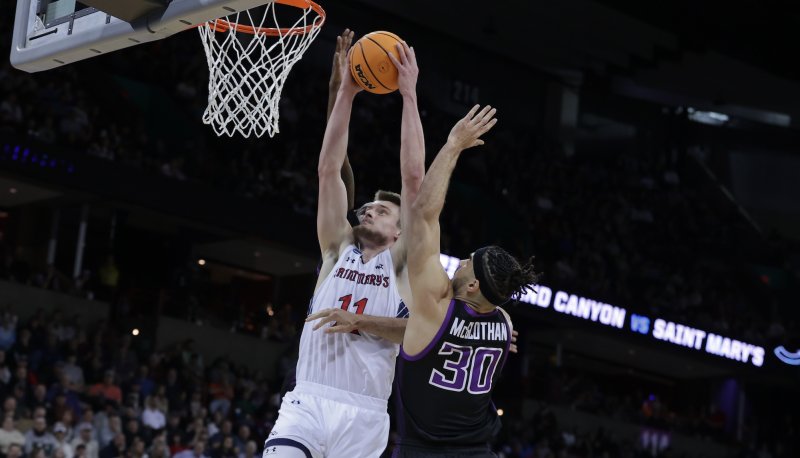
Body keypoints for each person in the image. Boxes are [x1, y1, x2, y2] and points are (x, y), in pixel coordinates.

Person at [263, 30, 425, 458]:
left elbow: (413, 181)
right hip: (307, 402)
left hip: (366, 416)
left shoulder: (405, 267)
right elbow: (329, 169)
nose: (368, 210)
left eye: (382, 211)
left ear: (400, 232)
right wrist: (347, 91)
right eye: (367, 206)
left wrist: (408, 95)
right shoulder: (336, 248)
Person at [394, 105, 539, 457]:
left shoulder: (435, 310)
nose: (458, 263)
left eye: (466, 264)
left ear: (473, 287)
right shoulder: (503, 325)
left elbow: (424, 215)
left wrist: (454, 145)